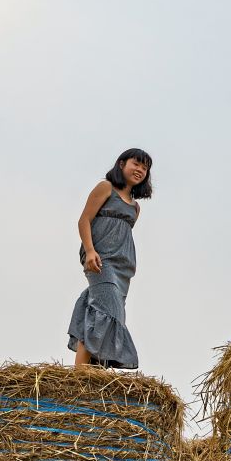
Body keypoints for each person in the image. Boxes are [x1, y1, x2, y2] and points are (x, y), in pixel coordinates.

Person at [68, 148, 153, 368]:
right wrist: (89, 251)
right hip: (100, 258)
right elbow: (84, 220)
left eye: (145, 168)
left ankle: (95, 373)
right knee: (106, 312)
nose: (140, 170)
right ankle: (80, 374)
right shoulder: (106, 187)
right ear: (122, 164)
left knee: (102, 310)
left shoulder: (135, 207)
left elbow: (122, 235)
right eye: (136, 164)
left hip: (123, 266)